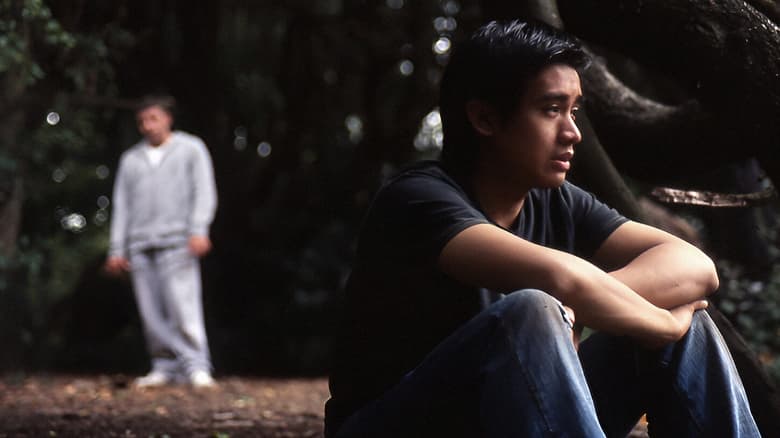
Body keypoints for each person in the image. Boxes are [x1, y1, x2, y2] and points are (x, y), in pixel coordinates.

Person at [324, 20, 760, 437]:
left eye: (574, 111)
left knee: (690, 326)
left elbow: (695, 266)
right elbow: (561, 279)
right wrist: (657, 323)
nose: (573, 133)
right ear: (485, 118)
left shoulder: (557, 200)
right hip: (398, 426)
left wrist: (576, 310)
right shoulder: (418, 199)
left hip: (514, 417)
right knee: (534, 311)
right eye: (551, 110)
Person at [105, 96, 218, 389]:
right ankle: (164, 365)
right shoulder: (131, 159)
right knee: (151, 313)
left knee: (183, 307)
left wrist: (199, 229)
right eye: (142, 121)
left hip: (178, 240)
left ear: (168, 118)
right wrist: (117, 248)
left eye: (153, 118)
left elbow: (204, 190)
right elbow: (122, 205)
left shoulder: (190, 148)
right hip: (140, 244)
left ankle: (196, 366)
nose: (147, 126)